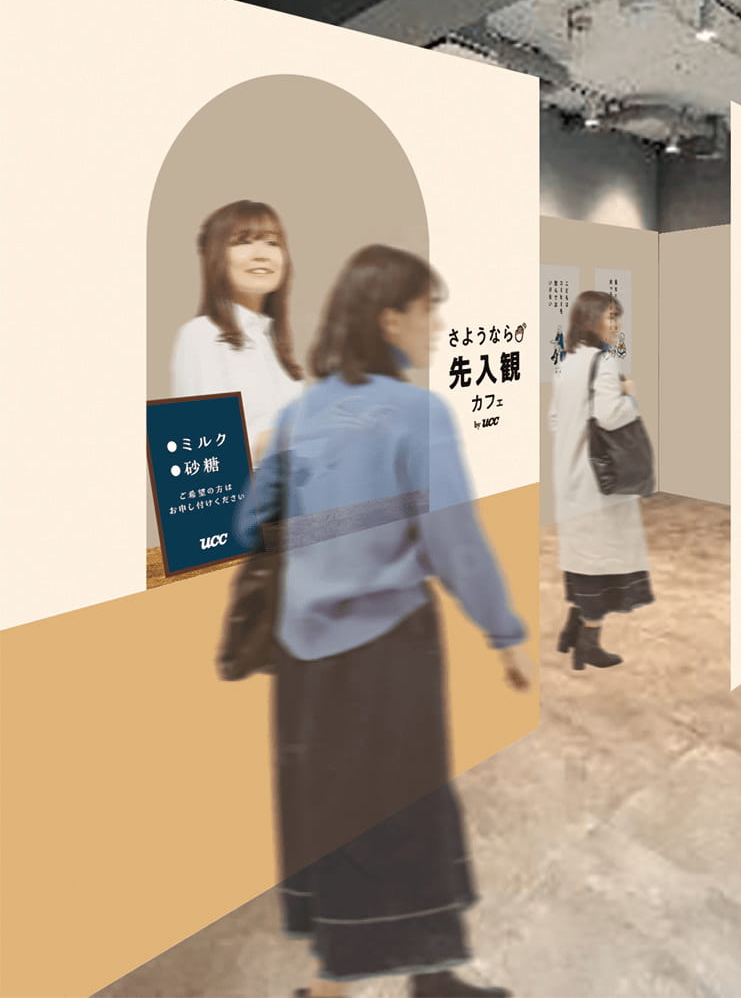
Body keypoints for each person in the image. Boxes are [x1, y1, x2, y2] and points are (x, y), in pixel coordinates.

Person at [234, 245, 532, 998]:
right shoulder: (417, 414)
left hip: (304, 663)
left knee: (333, 811)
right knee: (409, 809)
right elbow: (455, 541)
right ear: (388, 318)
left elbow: (247, 528)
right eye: (430, 310)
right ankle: (398, 982)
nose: (438, 326)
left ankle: (392, 979)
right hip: (388, 653)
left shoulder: (299, 414)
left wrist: (264, 461)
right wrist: (503, 634)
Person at [548, 290, 654, 671]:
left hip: (569, 477)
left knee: (583, 556)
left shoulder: (565, 363)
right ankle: (588, 645)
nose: (617, 324)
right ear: (591, 319)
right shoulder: (605, 362)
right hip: (598, 482)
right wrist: (630, 398)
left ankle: (572, 631)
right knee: (603, 560)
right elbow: (610, 416)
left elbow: (555, 421)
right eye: (611, 316)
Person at [170, 200, 304, 463]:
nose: (262, 254)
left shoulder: (274, 344)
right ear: (216, 257)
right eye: (243, 241)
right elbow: (199, 456)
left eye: (273, 242)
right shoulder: (202, 336)